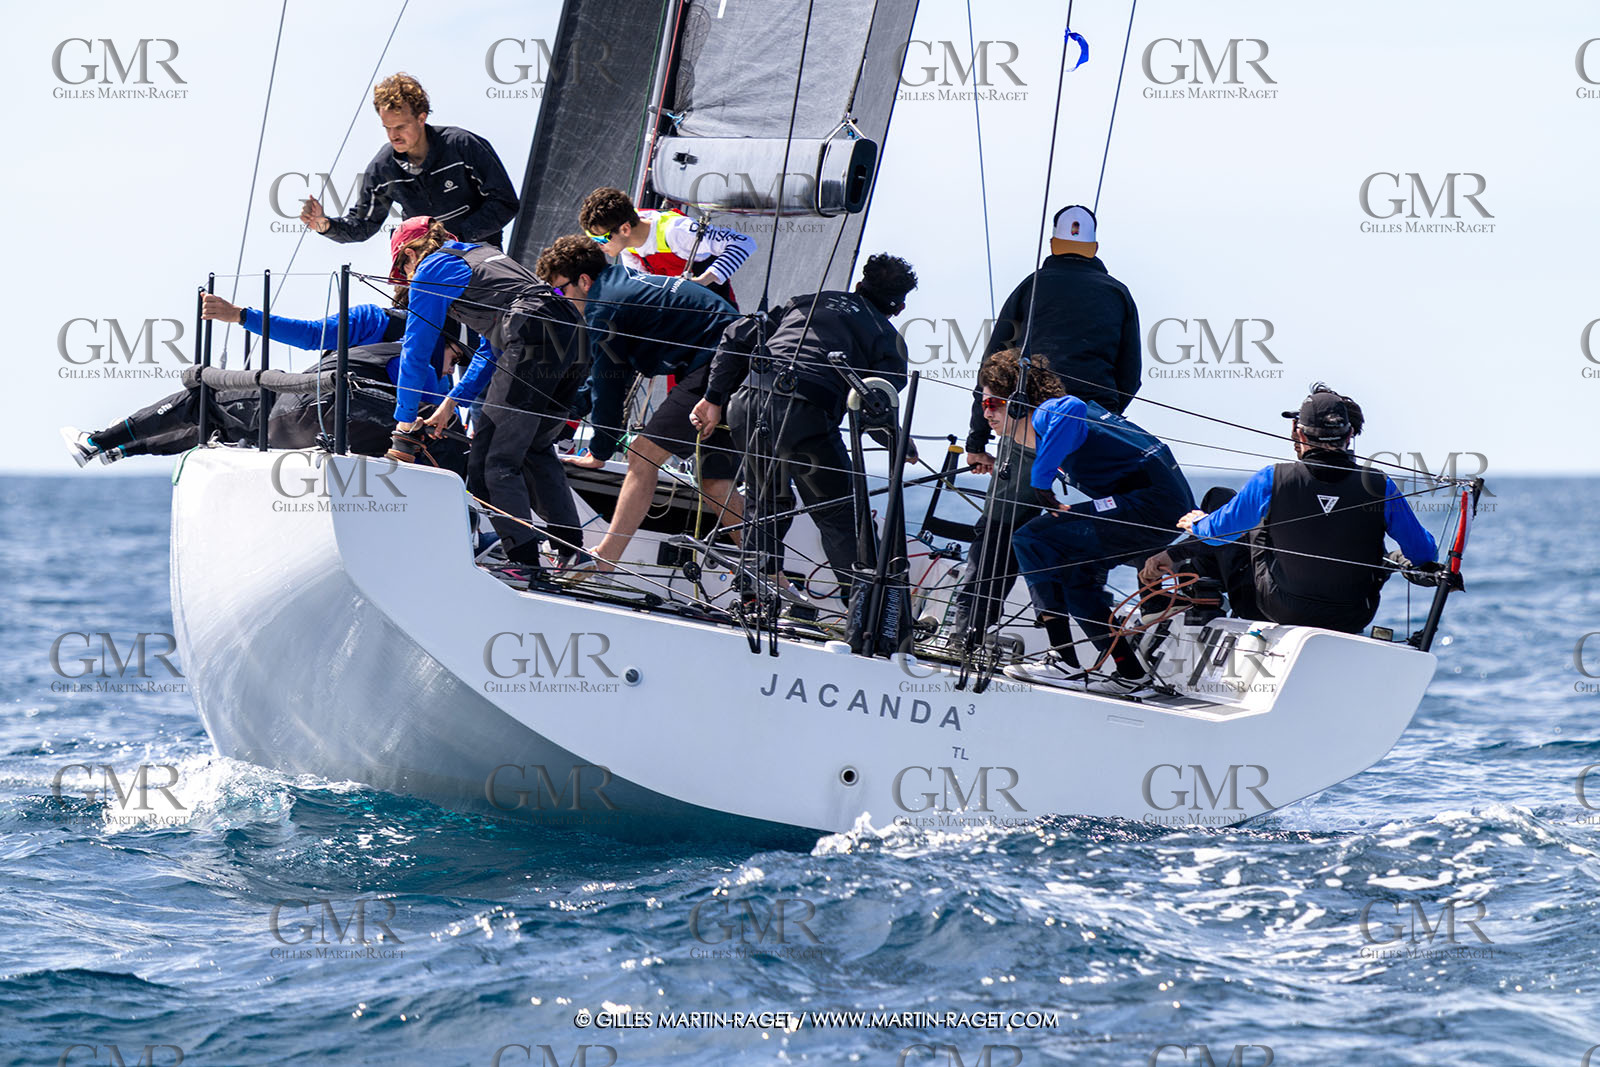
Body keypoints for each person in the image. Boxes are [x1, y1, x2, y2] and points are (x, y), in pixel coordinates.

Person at [689, 253, 919, 594]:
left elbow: (736, 336)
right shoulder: (888, 340)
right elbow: (875, 404)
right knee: (841, 516)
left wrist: (713, 398)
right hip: (805, 418)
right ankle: (866, 611)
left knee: (766, 503)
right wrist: (899, 444)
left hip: (747, 403)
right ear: (899, 308)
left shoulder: (806, 302)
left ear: (858, 285)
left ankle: (752, 597)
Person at [1141, 385, 1437, 634]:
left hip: (1278, 609)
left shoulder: (1272, 478)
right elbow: (1424, 554)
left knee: (1223, 502)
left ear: (1300, 434)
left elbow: (1218, 534)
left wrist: (1198, 523)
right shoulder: (1381, 486)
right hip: (1353, 617)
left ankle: (1200, 602)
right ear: (1349, 437)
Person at [981, 349, 1193, 692]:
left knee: (1030, 538)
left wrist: (1040, 481)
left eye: (992, 404)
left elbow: (1072, 408)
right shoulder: (1051, 425)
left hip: (1150, 505)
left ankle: (1062, 658)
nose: (985, 413)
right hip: (1159, 507)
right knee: (1076, 574)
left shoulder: (1050, 411)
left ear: (1018, 403)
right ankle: (1130, 674)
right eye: (983, 404)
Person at [534, 234, 743, 572]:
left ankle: (605, 560)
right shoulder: (619, 284)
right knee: (715, 482)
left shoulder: (603, 307)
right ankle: (774, 578)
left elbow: (607, 387)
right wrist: (564, 413)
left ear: (583, 282)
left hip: (717, 361)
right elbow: (610, 375)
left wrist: (600, 452)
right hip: (732, 358)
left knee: (643, 454)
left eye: (560, 291)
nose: (560, 300)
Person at [390, 217, 589, 573]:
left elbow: (415, 350)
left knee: (488, 462)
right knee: (534, 448)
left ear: (410, 253)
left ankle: (524, 563)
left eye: (401, 270)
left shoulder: (430, 269)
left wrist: (404, 422)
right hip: (573, 334)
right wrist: (453, 402)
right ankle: (570, 551)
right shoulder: (483, 254)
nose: (404, 280)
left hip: (531, 334)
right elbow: (491, 346)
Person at [61, 296, 470, 466]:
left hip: (304, 411)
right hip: (324, 429)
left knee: (204, 402)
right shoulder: (388, 330)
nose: (452, 371)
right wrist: (241, 316)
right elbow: (310, 334)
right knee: (220, 424)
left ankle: (101, 443)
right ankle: (117, 450)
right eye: (455, 359)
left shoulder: (414, 361)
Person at [966, 205, 1141, 474]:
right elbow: (1131, 376)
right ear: (1094, 247)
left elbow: (991, 368)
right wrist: (1108, 416)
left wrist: (977, 441)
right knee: (1106, 512)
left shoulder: (1030, 286)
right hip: (1095, 423)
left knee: (1010, 513)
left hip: (1033, 422)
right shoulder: (1119, 294)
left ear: (1052, 245)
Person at [299, 73, 519, 248]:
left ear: (421, 118)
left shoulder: (462, 145)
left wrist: (458, 237)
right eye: (387, 128)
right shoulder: (383, 169)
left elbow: (505, 201)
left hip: (479, 259)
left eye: (401, 127)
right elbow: (363, 225)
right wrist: (323, 224)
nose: (394, 135)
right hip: (425, 269)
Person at [579, 187, 757, 308]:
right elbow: (642, 288)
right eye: (591, 238)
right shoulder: (626, 242)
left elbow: (742, 242)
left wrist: (702, 281)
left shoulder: (678, 232)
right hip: (682, 313)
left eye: (602, 239)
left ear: (625, 229)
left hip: (717, 309)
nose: (598, 246)